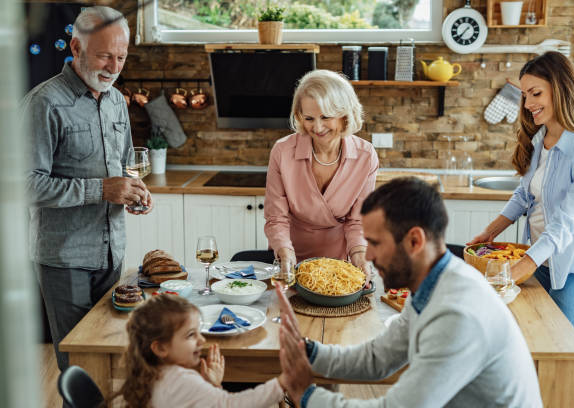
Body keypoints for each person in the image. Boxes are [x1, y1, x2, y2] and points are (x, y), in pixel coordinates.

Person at [276, 177, 543, 407]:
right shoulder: (431, 284)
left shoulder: (457, 314)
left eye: (376, 243)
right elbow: (377, 358)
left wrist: (306, 396)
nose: (367, 255)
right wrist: (307, 351)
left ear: (415, 241)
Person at [22, 6, 153, 370]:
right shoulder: (43, 103)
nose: (114, 67)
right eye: (105, 56)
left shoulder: (115, 101)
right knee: (81, 371)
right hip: (65, 262)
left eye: (122, 57)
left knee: (114, 365)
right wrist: (102, 190)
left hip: (112, 257)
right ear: (76, 48)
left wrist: (134, 192)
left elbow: (124, 167)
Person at [468, 51, 574, 330]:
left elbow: (568, 220)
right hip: (537, 257)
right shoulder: (540, 138)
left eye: (535, 93)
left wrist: (525, 264)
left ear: (560, 89)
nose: (528, 103)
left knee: (557, 344)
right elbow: (524, 196)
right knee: (529, 335)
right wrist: (489, 233)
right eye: (524, 95)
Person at [264, 69, 378, 283]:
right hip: (290, 258)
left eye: (326, 117)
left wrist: (360, 257)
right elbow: (276, 217)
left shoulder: (365, 155)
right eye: (309, 118)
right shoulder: (283, 152)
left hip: (341, 263)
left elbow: (357, 222)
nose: (317, 127)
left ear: (345, 114)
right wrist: (286, 256)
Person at [112, 294, 286, 407]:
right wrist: (282, 383)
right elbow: (230, 405)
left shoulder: (149, 374)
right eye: (190, 335)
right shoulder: (181, 380)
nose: (202, 340)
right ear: (160, 348)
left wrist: (213, 386)